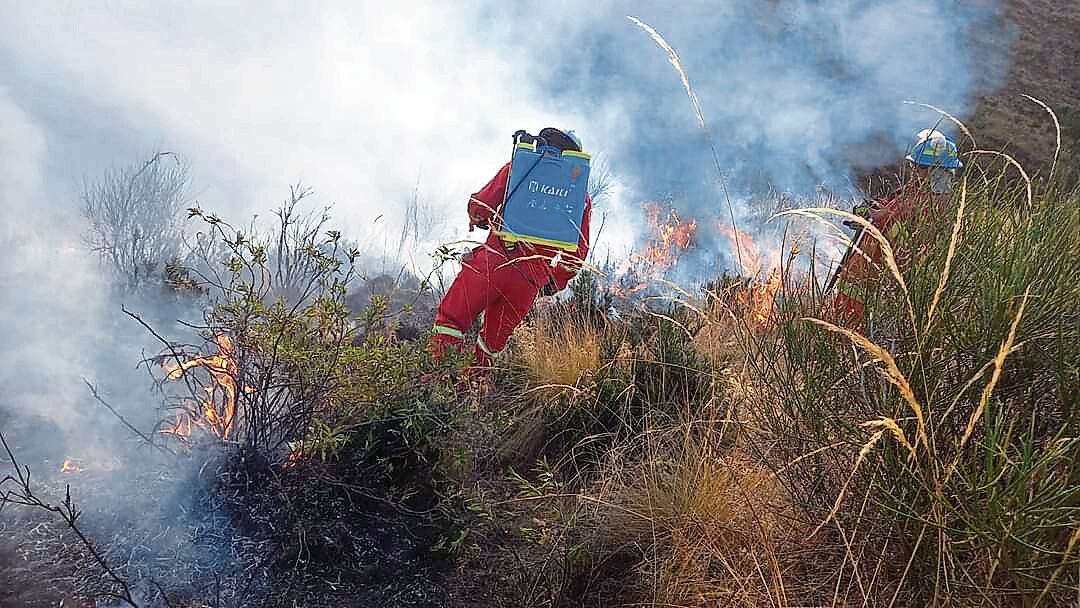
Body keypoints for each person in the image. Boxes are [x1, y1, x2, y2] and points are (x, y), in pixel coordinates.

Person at [431, 127, 592, 373]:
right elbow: (576, 255)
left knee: (451, 321)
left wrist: (478, 218)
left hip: (492, 263)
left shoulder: (520, 167)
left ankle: (436, 382)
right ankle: (473, 389)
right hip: (529, 281)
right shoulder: (580, 196)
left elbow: (480, 205)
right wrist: (553, 282)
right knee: (491, 344)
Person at [832, 129, 963, 326]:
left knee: (852, 329)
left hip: (874, 285)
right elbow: (893, 204)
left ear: (938, 170)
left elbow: (911, 240)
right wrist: (872, 209)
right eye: (914, 164)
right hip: (863, 277)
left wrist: (880, 218)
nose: (914, 170)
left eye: (920, 166)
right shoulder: (917, 190)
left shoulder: (934, 206)